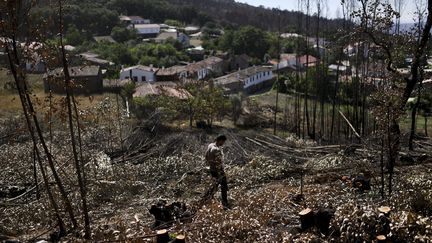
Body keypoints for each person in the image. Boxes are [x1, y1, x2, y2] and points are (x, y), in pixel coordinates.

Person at [205, 134, 229, 208]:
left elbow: (206, 156)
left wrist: (209, 164)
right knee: (223, 187)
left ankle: (207, 199)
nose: (223, 143)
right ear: (220, 140)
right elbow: (218, 163)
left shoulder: (210, 145)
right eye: (223, 142)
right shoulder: (217, 150)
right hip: (218, 171)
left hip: (212, 169)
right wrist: (221, 173)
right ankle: (225, 203)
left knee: (214, 186)